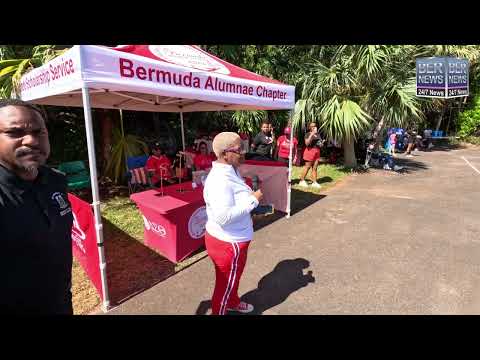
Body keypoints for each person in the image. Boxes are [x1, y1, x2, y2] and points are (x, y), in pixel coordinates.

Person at [0, 99, 74, 314]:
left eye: (39, 131)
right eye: (15, 133)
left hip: (61, 303)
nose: (32, 140)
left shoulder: (56, 181)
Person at [203, 132, 263, 315]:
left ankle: (233, 301)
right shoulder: (220, 180)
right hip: (229, 244)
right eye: (239, 149)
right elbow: (223, 217)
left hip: (234, 239)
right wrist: (253, 200)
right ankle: (221, 309)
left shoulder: (230, 169)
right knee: (224, 287)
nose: (243, 152)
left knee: (232, 280)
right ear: (224, 154)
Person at [299, 122, 323, 188]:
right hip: (310, 151)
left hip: (317, 151)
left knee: (315, 167)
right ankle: (301, 180)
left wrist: (321, 143)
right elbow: (306, 143)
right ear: (309, 128)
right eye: (312, 126)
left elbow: (319, 142)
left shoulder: (318, 134)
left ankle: (314, 182)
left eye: (314, 126)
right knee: (307, 166)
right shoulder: (307, 134)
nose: (314, 127)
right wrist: (311, 135)